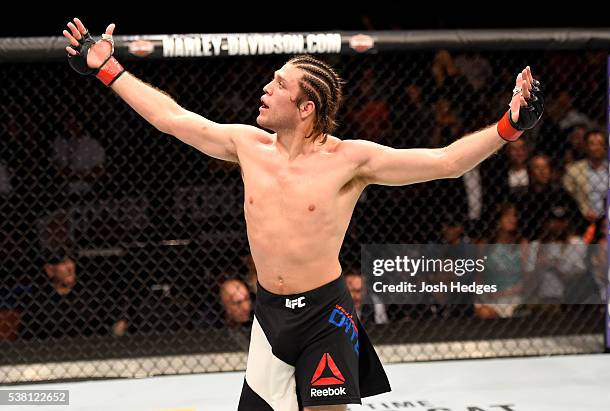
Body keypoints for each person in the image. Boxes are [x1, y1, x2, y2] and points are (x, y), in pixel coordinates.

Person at [62, 17, 543, 411]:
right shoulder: (247, 145)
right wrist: (109, 70)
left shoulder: (350, 160)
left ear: (306, 106)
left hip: (325, 313)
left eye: (279, 84)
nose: (266, 89)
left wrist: (510, 125)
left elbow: (447, 162)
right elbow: (172, 119)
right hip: (269, 311)